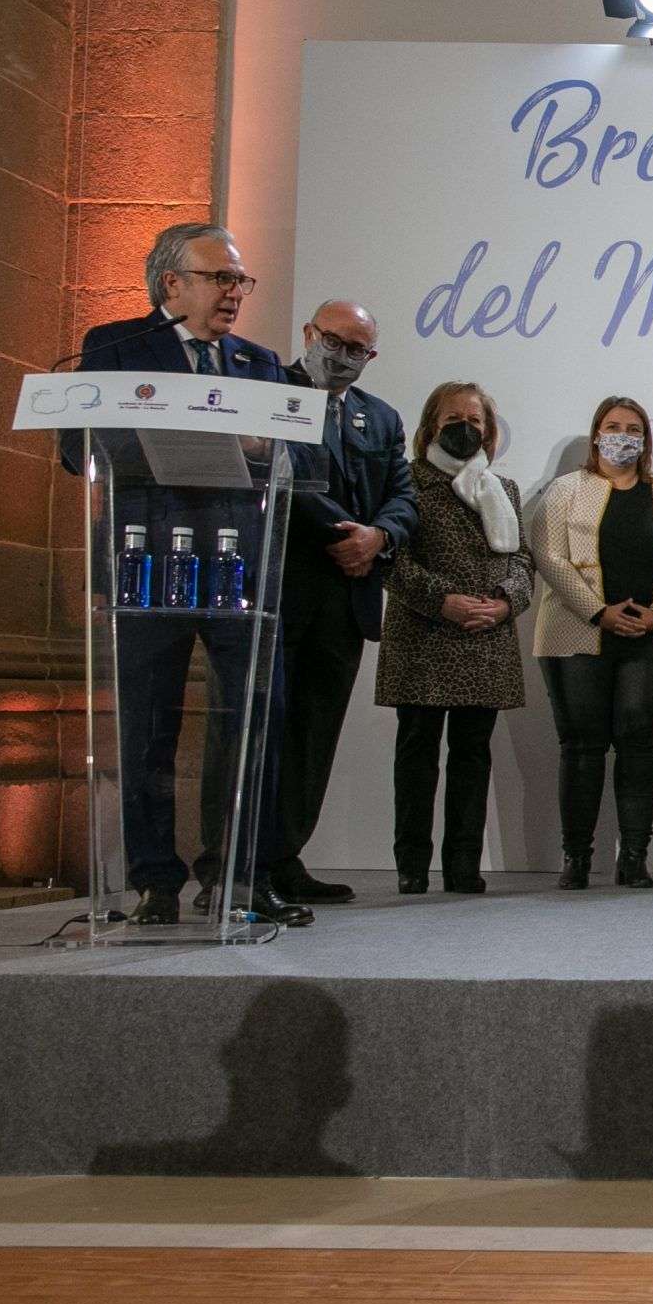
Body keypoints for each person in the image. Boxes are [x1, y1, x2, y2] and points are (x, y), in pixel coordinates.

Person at [66, 221, 307, 928]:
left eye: (240, 280)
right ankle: (154, 881)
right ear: (172, 283)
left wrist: (263, 447)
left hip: (242, 565)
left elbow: (296, 457)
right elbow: (77, 445)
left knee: (258, 718)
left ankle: (239, 875)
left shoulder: (259, 362)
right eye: (220, 277)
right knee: (148, 726)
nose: (235, 292)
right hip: (149, 559)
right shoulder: (113, 346)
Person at [268, 300, 414, 909]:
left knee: (314, 735)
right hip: (282, 590)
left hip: (346, 600)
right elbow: (281, 479)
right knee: (263, 730)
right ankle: (235, 863)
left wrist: (378, 537)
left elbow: (403, 495)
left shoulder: (379, 417)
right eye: (335, 342)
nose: (346, 357)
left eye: (359, 350)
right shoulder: (271, 392)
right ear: (309, 332)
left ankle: (284, 859)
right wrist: (346, 535)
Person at [529, 394, 653, 890]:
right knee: (581, 748)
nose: (623, 436)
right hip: (575, 637)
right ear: (596, 434)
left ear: (646, 439)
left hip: (647, 639)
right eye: (613, 426)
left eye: (633, 429)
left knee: (639, 748)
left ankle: (635, 858)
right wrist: (598, 611)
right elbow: (548, 556)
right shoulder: (564, 491)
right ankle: (577, 858)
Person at [378, 382, 532, 895]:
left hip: (485, 639)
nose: (465, 428)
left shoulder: (503, 488)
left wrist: (506, 601)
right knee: (416, 756)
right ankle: (411, 866)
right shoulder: (404, 481)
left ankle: (464, 864)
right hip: (422, 637)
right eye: (453, 419)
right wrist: (443, 600)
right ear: (431, 425)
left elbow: (522, 559)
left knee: (473, 756)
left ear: (488, 430)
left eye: (475, 420)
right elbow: (390, 558)